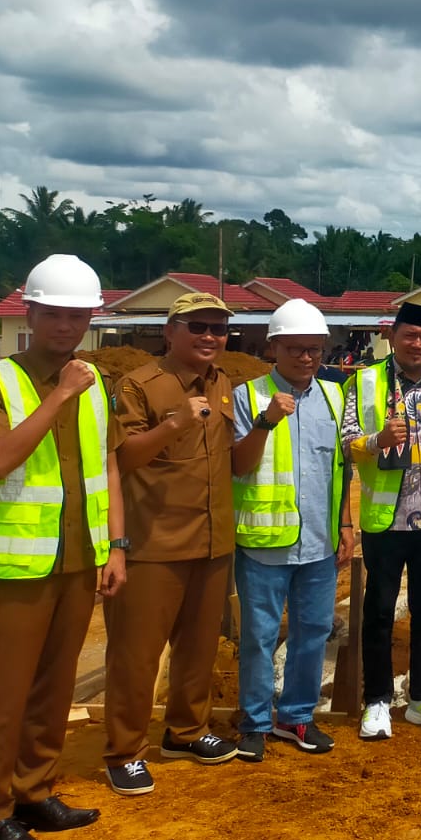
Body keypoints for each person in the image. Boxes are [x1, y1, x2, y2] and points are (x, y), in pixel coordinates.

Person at [0, 256, 126, 840]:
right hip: (16, 566)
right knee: (7, 694)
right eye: (55, 314)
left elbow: (109, 467)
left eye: (79, 316)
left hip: (78, 559)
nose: (68, 326)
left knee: (53, 688)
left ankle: (34, 791)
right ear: (30, 312)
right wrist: (59, 397)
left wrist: (116, 546)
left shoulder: (94, 381)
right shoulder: (6, 379)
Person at [104, 291, 241, 795]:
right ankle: (124, 752)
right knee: (136, 655)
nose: (209, 336)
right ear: (169, 332)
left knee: (199, 648)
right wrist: (175, 423)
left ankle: (186, 731)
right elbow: (124, 459)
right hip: (154, 542)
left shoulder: (222, 382)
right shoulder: (138, 385)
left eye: (218, 328)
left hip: (211, 539)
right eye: (197, 326)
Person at [229, 299, 355, 762]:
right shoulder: (247, 396)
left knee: (313, 632)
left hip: (319, 544)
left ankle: (297, 716)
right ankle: (255, 723)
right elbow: (238, 465)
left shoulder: (334, 397)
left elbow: (342, 467)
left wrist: (345, 523)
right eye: (295, 349)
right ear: (273, 348)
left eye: (314, 349)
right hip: (263, 544)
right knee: (259, 637)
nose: (306, 358)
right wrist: (266, 421)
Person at [342, 301, 421, 739]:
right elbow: (346, 443)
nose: (417, 344)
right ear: (392, 336)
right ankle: (376, 700)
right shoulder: (365, 380)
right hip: (386, 519)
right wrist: (377, 440)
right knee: (379, 611)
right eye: (409, 335)